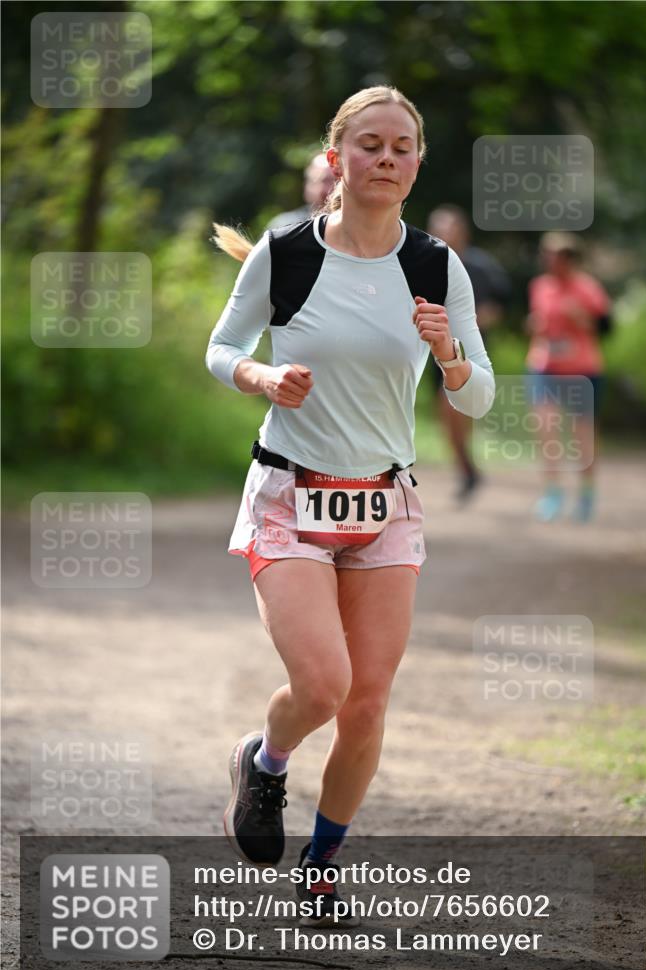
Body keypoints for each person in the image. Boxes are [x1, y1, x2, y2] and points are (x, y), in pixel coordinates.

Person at [206, 86, 495, 926]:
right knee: (324, 684)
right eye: (369, 144)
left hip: (384, 503)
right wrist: (260, 375)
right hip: (289, 491)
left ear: (417, 163)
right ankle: (265, 760)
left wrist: (449, 355)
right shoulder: (286, 252)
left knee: (366, 702)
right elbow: (222, 347)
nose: (386, 159)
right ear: (337, 158)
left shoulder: (435, 266)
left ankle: (322, 865)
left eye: (402, 147)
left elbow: (476, 396)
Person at [525, 231, 612, 522]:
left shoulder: (588, 288)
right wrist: (534, 325)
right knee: (546, 428)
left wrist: (582, 319)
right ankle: (552, 492)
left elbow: (606, 328)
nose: (550, 261)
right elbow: (537, 321)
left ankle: (586, 493)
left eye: (557, 257)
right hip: (545, 366)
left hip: (582, 370)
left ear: (570, 259)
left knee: (582, 434)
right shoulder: (539, 286)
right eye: (547, 256)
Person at [427, 205, 510, 502]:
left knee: (456, 406)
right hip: (432, 352)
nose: (446, 234)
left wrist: (481, 318)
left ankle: (467, 469)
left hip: (470, 351)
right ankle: (466, 467)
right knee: (446, 415)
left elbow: (502, 302)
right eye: (440, 229)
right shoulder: (425, 263)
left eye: (452, 228)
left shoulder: (481, 266)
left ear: (464, 232)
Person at [265, 152, 335, 229]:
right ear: (306, 185)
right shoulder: (283, 227)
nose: (329, 189)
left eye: (336, 181)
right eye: (324, 181)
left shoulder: (345, 229)